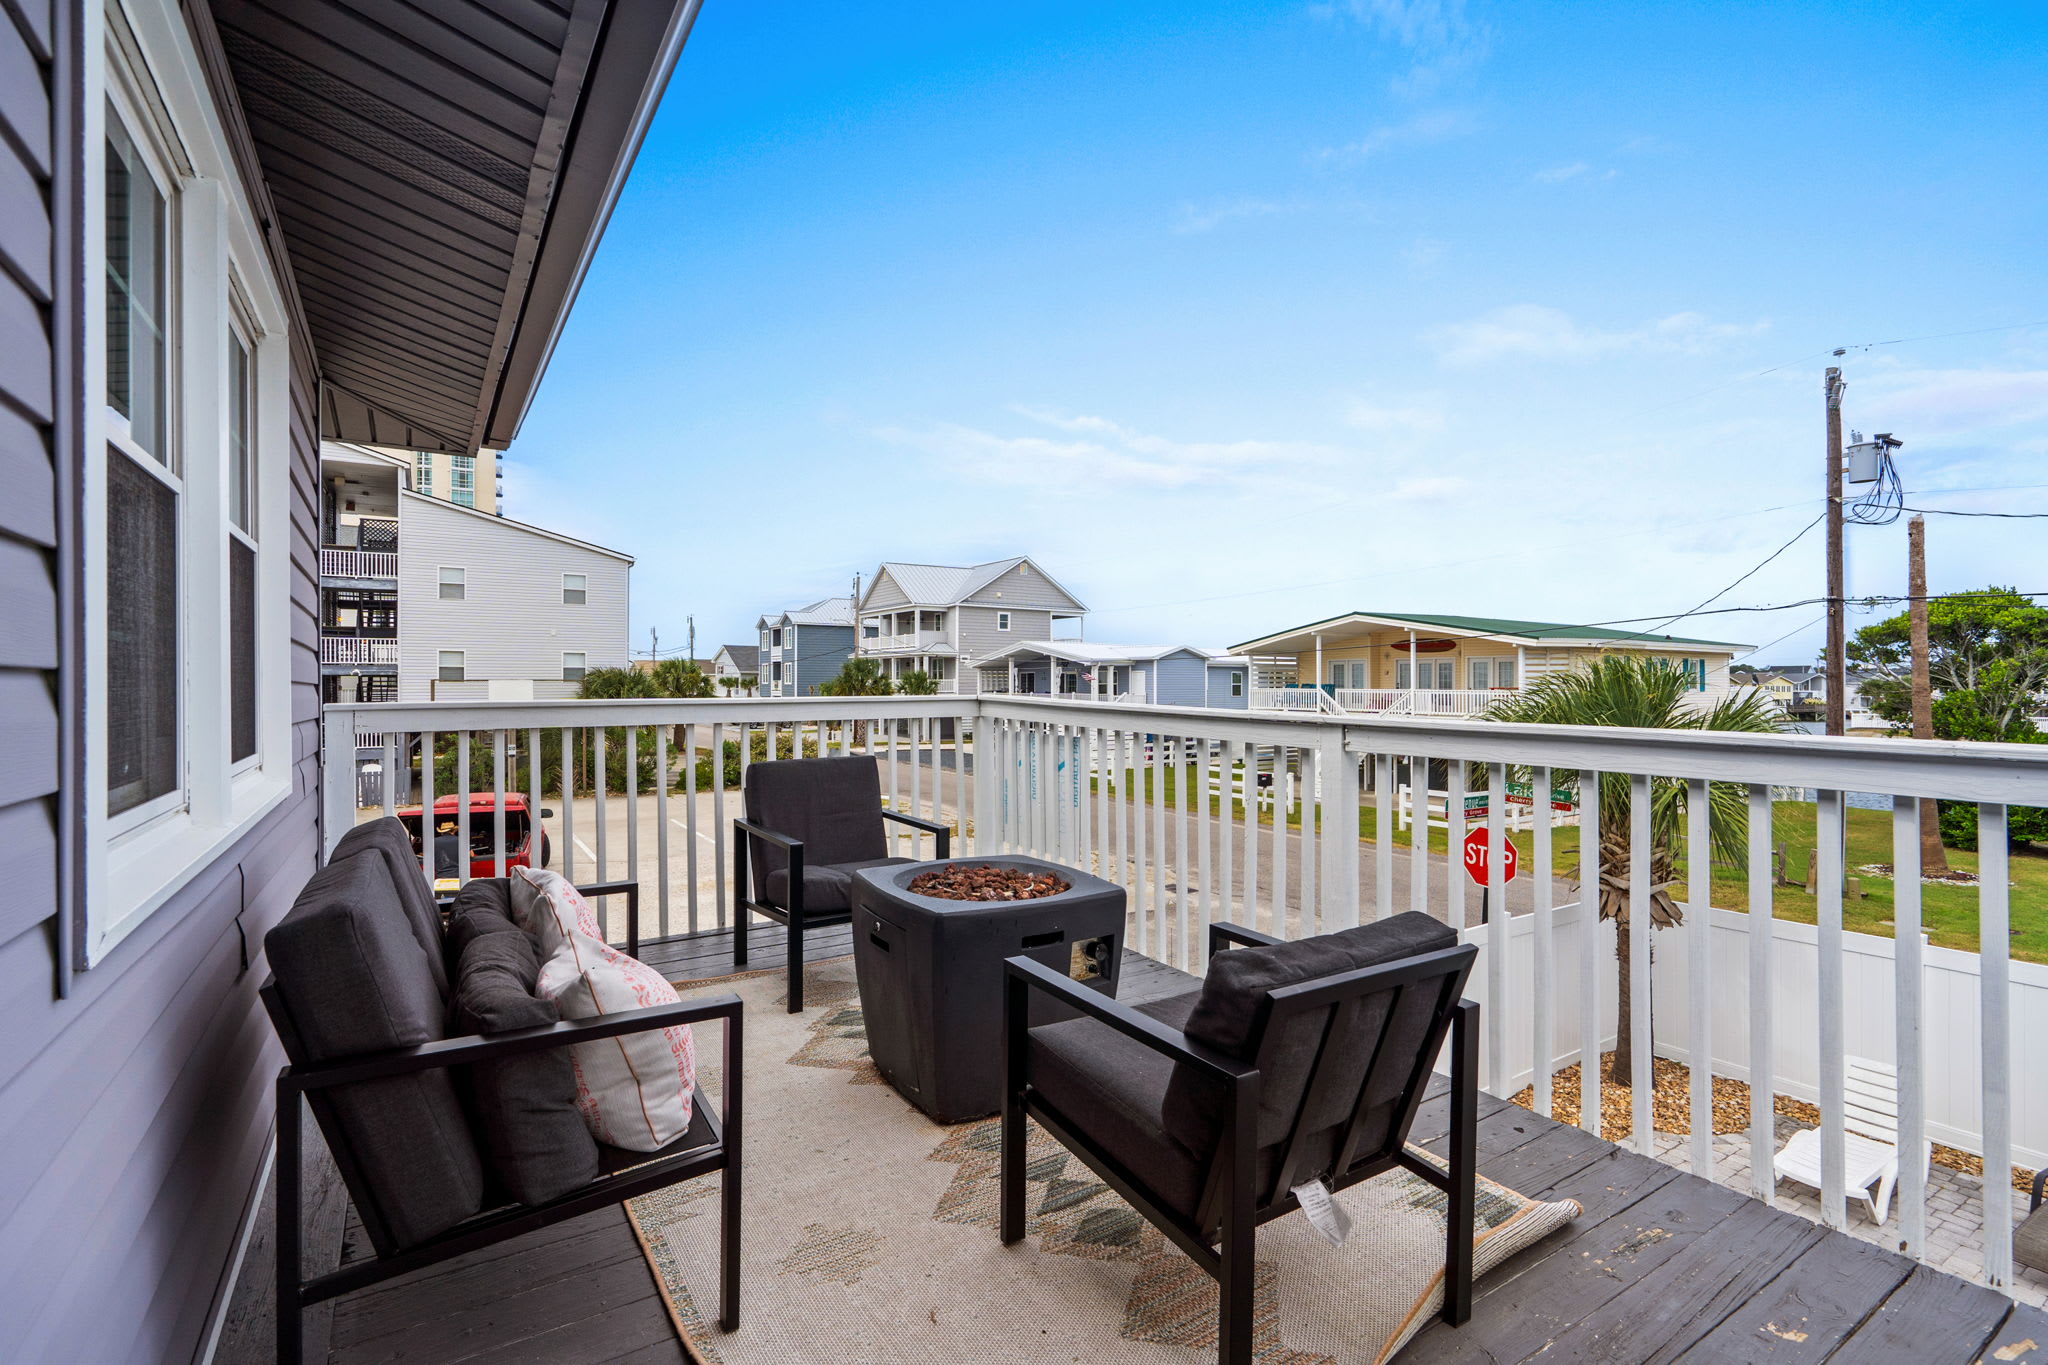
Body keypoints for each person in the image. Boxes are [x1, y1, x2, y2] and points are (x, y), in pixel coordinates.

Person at [433, 816, 464, 880]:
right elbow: (471, 854)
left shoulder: (434, 841)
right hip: (458, 875)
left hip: (441, 876)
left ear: (441, 832)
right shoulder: (460, 840)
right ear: (453, 831)